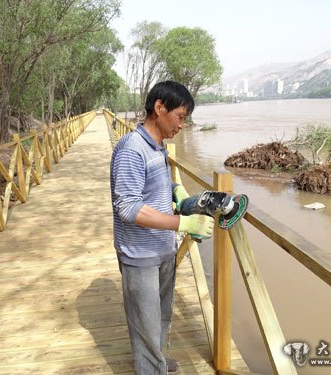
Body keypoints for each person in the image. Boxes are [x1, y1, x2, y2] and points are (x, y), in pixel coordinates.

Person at [110, 81, 214, 374]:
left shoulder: (157, 147)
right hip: (140, 255)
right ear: (159, 108)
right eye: (180, 116)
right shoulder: (132, 149)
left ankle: (155, 361)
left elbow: (153, 184)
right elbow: (128, 207)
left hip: (163, 250)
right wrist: (183, 222)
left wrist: (175, 192)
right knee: (145, 323)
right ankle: (150, 367)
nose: (183, 124)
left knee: (161, 316)